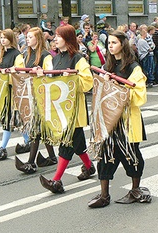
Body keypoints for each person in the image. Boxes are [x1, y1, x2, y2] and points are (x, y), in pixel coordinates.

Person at [87, 30, 150, 208]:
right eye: (109, 43)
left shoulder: (133, 67)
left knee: (131, 154)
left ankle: (135, 189)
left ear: (123, 44)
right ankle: (104, 195)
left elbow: (140, 95)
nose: (111, 46)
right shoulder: (108, 65)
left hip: (127, 120)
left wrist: (117, 85)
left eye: (114, 42)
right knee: (106, 155)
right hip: (110, 120)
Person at [39, 25, 95, 193]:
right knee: (77, 143)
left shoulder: (78, 58)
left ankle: (56, 180)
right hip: (61, 109)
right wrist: (43, 74)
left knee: (66, 142)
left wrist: (71, 77)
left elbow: (87, 82)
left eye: (58, 36)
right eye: (55, 36)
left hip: (74, 110)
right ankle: (89, 167)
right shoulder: (55, 59)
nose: (55, 39)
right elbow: (53, 80)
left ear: (68, 39)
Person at [15, 27, 57, 174]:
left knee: (36, 129)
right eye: (27, 37)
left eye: (31, 37)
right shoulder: (27, 55)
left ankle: (31, 162)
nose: (27, 39)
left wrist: (40, 74)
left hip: (42, 96)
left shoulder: (46, 56)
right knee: (40, 128)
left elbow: (51, 75)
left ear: (38, 39)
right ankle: (52, 157)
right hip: (32, 95)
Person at [0, 28, 28, 160]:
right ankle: (26, 143)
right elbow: (1, 69)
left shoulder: (17, 54)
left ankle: (4, 148)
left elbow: (20, 74)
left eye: (5, 37)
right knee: (11, 119)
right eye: (1, 38)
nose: (2, 40)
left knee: (14, 118)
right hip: (5, 91)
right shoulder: (2, 53)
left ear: (10, 39)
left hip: (14, 90)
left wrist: (8, 74)